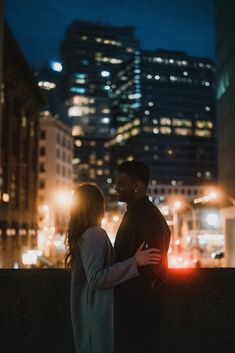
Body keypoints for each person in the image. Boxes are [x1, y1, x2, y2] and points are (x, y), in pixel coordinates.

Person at [64, 183, 162, 353]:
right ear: (97, 206)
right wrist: (135, 262)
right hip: (97, 314)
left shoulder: (85, 234)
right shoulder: (94, 234)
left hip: (91, 312)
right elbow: (96, 278)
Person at [114, 160, 171, 353]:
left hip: (139, 313)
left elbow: (151, 268)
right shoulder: (137, 214)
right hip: (136, 309)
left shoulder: (147, 218)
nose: (116, 188)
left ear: (137, 186)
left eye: (121, 183)